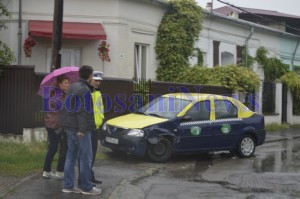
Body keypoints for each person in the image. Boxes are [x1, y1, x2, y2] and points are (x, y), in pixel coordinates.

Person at [59, 65, 102, 195]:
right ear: (89, 76)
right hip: (80, 128)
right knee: (85, 157)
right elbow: (83, 111)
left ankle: (68, 186)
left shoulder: (73, 87)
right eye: (92, 75)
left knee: (71, 155)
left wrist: (65, 125)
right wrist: (82, 129)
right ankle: (86, 187)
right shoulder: (84, 90)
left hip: (68, 126)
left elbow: (66, 107)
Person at [78, 71, 104, 185]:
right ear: (90, 79)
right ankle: (83, 179)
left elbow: (99, 109)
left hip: (96, 127)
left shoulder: (97, 92)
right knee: (86, 156)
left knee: (92, 155)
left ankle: (89, 176)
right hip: (88, 128)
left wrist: (101, 120)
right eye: (95, 80)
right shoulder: (86, 92)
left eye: (99, 80)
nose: (98, 82)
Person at [42, 75, 70, 179]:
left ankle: (47, 170)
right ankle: (59, 171)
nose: (68, 84)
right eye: (66, 82)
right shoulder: (59, 95)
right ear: (60, 84)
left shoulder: (55, 93)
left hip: (51, 123)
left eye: (68, 82)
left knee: (53, 148)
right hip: (57, 125)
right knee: (63, 148)